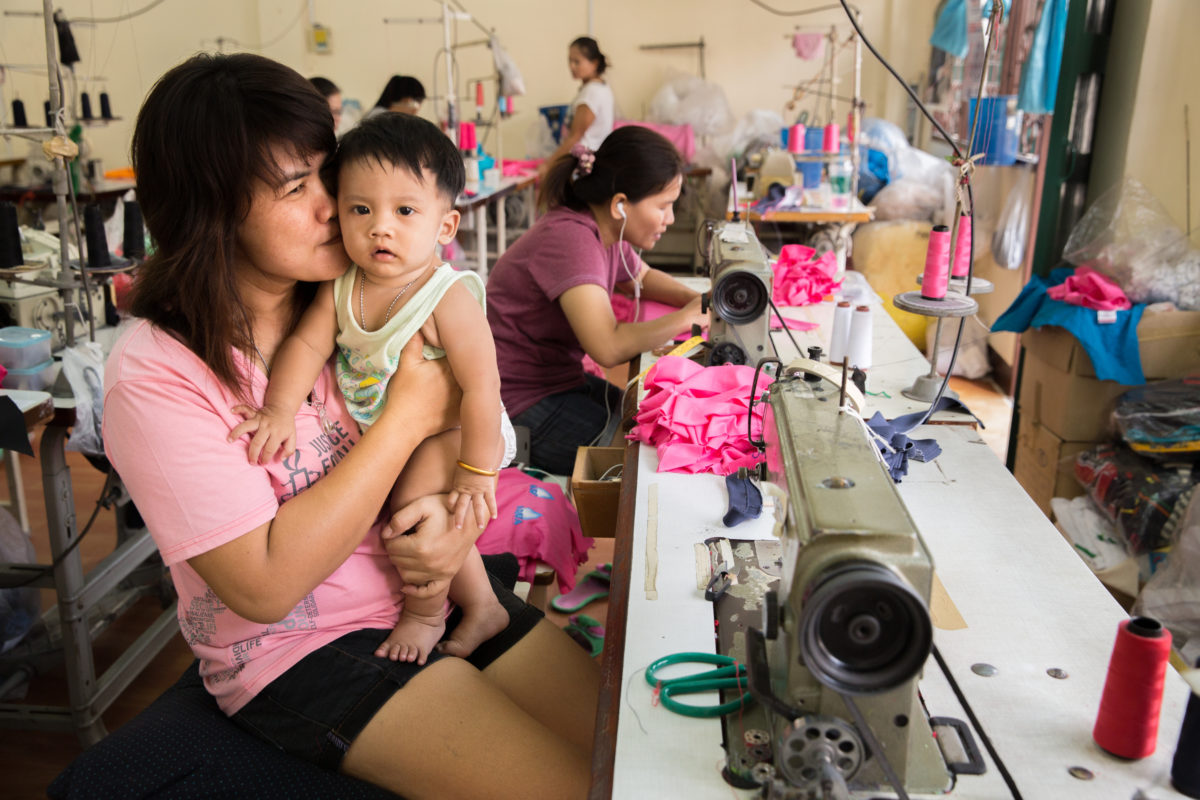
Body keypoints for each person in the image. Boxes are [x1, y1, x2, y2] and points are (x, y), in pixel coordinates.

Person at [104, 52, 596, 799]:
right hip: (299, 646)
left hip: (413, 590)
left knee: (625, 743)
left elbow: (466, 424)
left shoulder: (350, 298)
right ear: (212, 209)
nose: (337, 206)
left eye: (325, 174)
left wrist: (451, 520)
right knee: (569, 788)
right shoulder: (157, 375)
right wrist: (406, 417)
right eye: (296, 188)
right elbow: (263, 586)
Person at [228, 111, 513, 666]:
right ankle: (483, 605)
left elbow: (484, 387)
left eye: (405, 211)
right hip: (396, 425)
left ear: (445, 227)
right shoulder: (342, 287)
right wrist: (280, 409)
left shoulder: (446, 296)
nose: (380, 226)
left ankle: (427, 615)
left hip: (457, 430)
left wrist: (477, 472)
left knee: (411, 508)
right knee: (395, 498)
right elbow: (306, 349)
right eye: (361, 209)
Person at [487, 126, 708, 475]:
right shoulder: (572, 239)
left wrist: (703, 300)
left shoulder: (602, 228)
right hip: (513, 402)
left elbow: (640, 277)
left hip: (554, 379)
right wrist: (686, 318)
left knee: (644, 412)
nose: (670, 219)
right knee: (644, 458)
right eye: (664, 206)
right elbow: (607, 345)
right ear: (620, 204)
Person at [539, 37, 615, 179]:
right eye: (570, 61)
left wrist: (549, 164)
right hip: (592, 160)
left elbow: (575, 137)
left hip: (584, 163)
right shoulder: (601, 87)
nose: (572, 66)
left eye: (577, 62)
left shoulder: (591, 93)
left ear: (594, 63)